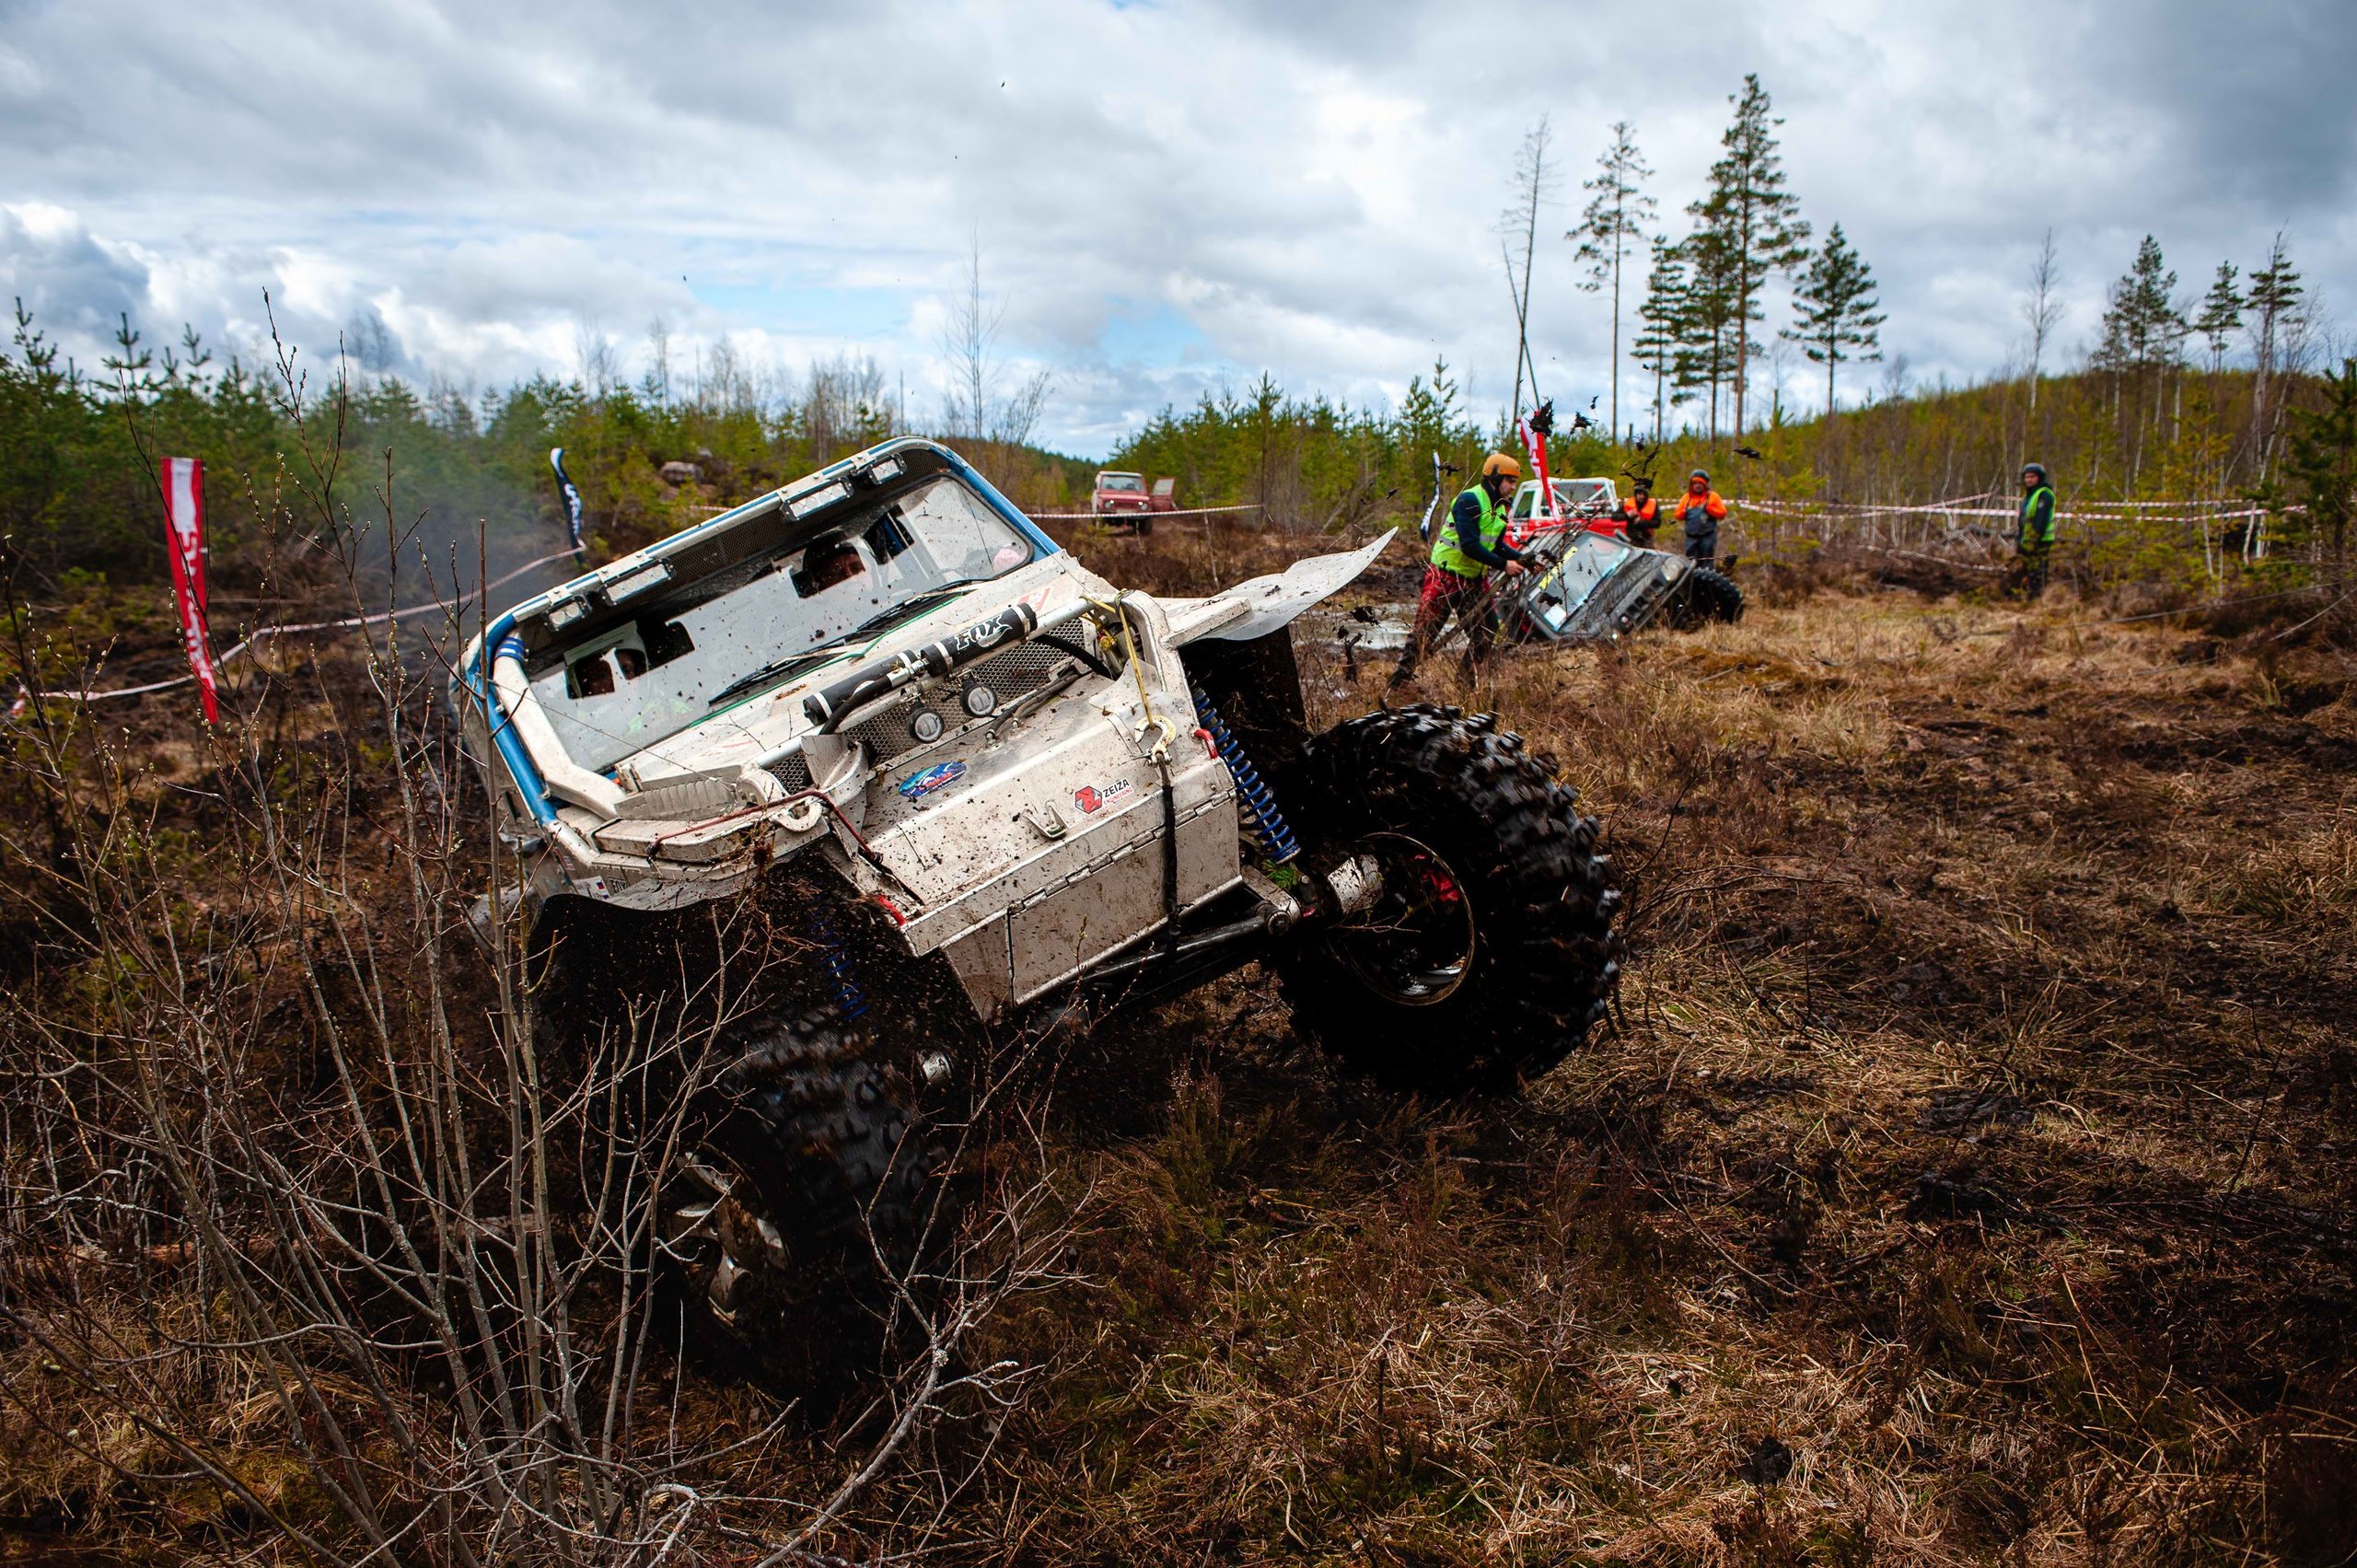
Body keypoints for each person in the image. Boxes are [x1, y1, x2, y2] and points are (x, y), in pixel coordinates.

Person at [1389, 452, 1528, 687]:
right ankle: (1397, 687)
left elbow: (1496, 546)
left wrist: (1524, 560)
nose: (1513, 486)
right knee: (1424, 636)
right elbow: (1470, 545)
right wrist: (1505, 565)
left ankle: (1464, 682)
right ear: (1495, 478)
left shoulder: (1501, 508)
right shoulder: (1469, 500)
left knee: (1486, 632)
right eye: (1510, 481)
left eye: (1515, 482)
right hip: (1445, 575)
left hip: (1474, 578)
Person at [1671, 470, 1727, 563]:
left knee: (1706, 564)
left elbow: (1723, 513)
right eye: (1695, 483)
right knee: (1690, 564)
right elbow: (1677, 514)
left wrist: (1709, 509)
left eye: (1700, 483)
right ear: (1692, 485)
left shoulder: (1713, 496)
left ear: (1705, 484)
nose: (1697, 485)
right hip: (1691, 538)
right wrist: (1684, 512)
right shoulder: (1687, 498)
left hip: (1707, 537)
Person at [2017, 462, 2055, 598]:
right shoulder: (2029, 496)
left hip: (2041, 542)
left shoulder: (2044, 495)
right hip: (2028, 541)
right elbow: (2024, 521)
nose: (2029, 480)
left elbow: (2040, 521)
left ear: (2039, 478)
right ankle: (2030, 597)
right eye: (2027, 477)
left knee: (2038, 572)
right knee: (2029, 571)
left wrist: (2033, 542)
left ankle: (2037, 599)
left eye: (2032, 477)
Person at [1611, 476, 1659, 548]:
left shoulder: (1653, 505)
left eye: (1644, 494)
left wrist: (1642, 522)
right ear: (1636, 494)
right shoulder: (1628, 504)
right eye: (1640, 494)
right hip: (1631, 540)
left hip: (1647, 540)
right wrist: (1627, 515)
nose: (1642, 496)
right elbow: (1614, 516)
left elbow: (1658, 523)